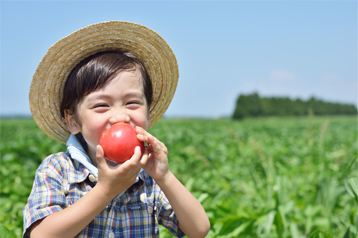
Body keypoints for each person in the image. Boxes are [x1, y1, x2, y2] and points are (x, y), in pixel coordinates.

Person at [23, 21, 210, 238]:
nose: (121, 116)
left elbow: (198, 230)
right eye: (101, 105)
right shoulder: (58, 169)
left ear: (148, 114)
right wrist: (105, 190)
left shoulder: (147, 177)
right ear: (73, 121)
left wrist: (165, 176)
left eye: (132, 103)